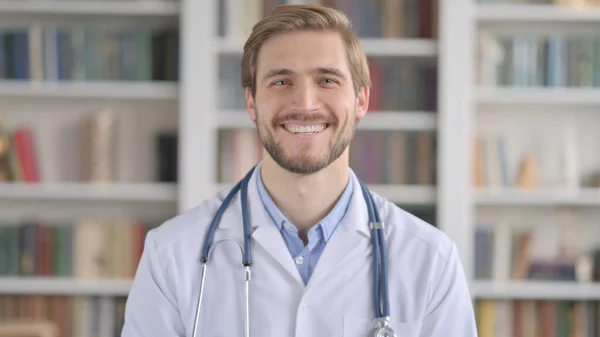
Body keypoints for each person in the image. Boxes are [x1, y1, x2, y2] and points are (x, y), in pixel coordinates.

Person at [121, 4, 478, 337]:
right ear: (251, 101)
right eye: (281, 81)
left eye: (327, 80)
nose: (305, 103)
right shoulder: (171, 254)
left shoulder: (429, 260)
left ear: (362, 100)